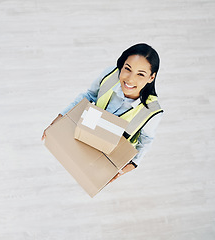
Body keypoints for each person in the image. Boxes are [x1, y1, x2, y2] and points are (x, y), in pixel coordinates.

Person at [42, 43, 163, 183]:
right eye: (127, 69)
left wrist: (133, 164)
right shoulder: (110, 75)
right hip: (87, 133)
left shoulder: (152, 111)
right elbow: (89, 96)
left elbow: (146, 140)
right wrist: (60, 117)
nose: (130, 79)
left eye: (141, 74)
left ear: (151, 78)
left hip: (109, 153)